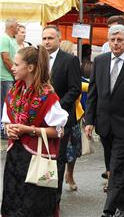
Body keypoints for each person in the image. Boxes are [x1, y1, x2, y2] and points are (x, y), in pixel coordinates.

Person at [85, 24, 124, 217]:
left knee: (117, 169)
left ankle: (108, 210)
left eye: (120, 40)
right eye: (112, 40)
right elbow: (93, 92)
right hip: (104, 125)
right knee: (116, 168)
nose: (116, 43)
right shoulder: (101, 61)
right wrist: (89, 120)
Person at [1, 46, 68, 217]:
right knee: (13, 206)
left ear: (30, 68)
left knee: (34, 207)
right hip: (15, 159)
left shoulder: (47, 96)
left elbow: (59, 131)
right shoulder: (14, 93)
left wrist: (29, 130)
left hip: (37, 159)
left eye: (16, 64)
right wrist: (10, 129)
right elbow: (7, 121)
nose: (12, 68)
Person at [42, 25, 81, 215]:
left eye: (50, 38)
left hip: (61, 117)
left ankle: (54, 201)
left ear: (58, 39)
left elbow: (75, 89)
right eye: (44, 38)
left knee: (58, 159)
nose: (47, 41)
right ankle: (42, 196)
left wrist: (55, 107)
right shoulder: (38, 58)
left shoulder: (70, 60)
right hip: (40, 118)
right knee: (41, 157)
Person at [59, 40, 82, 191]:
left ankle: (69, 175)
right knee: (67, 150)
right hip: (65, 113)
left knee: (72, 147)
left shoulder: (72, 62)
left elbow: (76, 88)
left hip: (72, 113)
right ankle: (68, 175)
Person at [1, 18, 19, 139]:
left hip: (9, 77)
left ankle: (5, 129)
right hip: (4, 77)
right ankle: (3, 130)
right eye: (17, 26)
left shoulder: (12, 40)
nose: (18, 28)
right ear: (11, 27)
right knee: (5, 104)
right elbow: (6, 58)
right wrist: (15, 72)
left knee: (8, 104)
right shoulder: (4, 38)